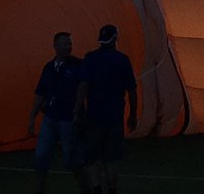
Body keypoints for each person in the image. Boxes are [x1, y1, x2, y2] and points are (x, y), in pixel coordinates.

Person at [74, 25, 137, 194]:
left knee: (92, 157)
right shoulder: (122, 60)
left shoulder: (90, 58)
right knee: (111, 159)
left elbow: (83, 86)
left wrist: (77, 110)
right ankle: (111, 190)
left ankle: (96, 189)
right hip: (114, 117)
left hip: (94, 116)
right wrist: (133, 114)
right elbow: (131, 90)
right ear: (115, 39)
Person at [28, 31, 90, 194]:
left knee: (72, 160)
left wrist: (79, 112)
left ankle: (87, 190)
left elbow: (85, 88)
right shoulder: (49, 68)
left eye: (70, 43)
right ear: (55, 46)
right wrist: (32, 117)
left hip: (69, 119)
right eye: (65, 44)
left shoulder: (78, 65)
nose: (69, 47)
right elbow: (40, 93)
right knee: (41, 158)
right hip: (50, 118)